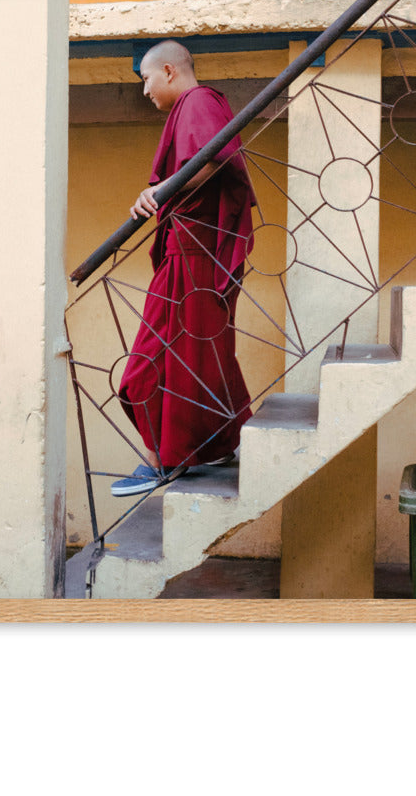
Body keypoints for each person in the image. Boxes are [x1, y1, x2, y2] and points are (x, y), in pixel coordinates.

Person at [112, 41, 255, 496]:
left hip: (193, 254)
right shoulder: (198, 103)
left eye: (146, 80)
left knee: (147, 365)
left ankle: (162, 460)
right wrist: (158, 193)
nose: (144, 91)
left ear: (169, 71)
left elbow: (211, 161)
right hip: (191, 250)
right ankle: (224, 441)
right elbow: (198, 166)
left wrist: (160, 193)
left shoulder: (197, 101)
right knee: (202, 357)